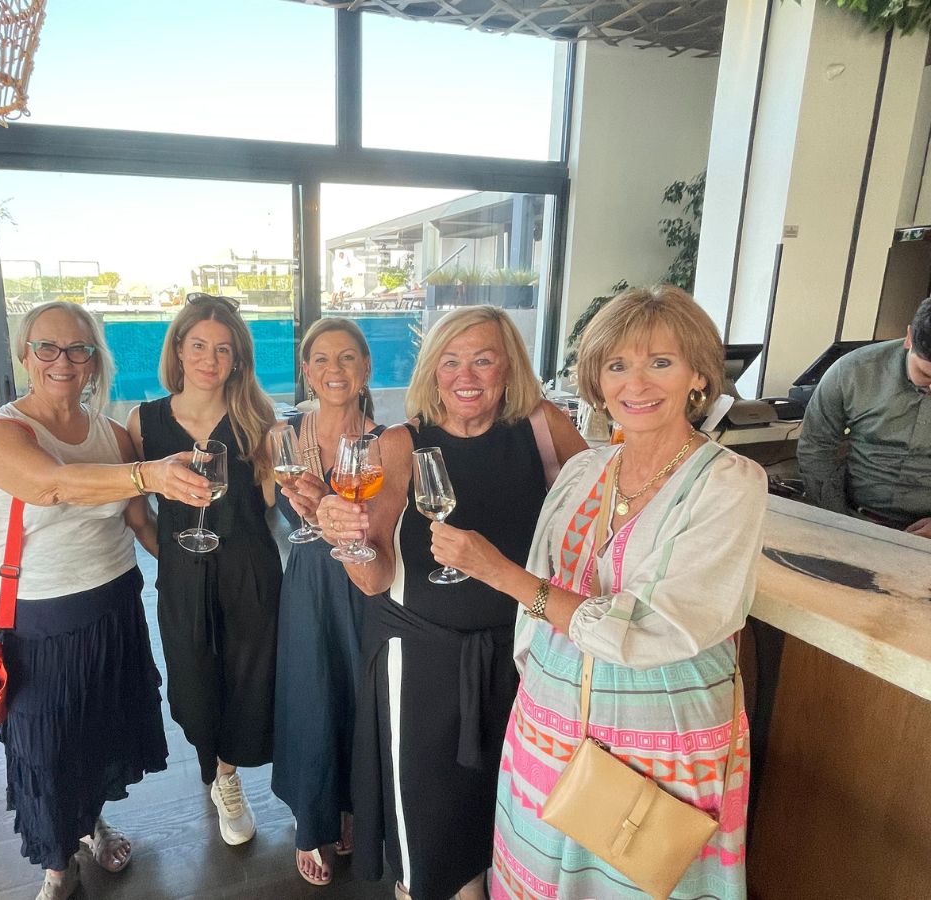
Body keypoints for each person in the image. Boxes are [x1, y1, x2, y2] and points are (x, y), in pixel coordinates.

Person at [459, 286, 766, 899]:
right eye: (617, 365)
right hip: (550, 718)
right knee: (542, 876)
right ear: (597, 381)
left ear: (698, 375)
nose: (637, 383)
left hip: (658, 734)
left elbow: (661, 627)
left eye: (661, 362)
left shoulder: (730, 483)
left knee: (639, 880)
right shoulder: (583, 469)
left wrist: (503, 576)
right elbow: (546, 601)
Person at [317, 306, 587, 900]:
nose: (467, 375)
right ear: (432, 371)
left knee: (514, 813)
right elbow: (373, 577)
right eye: (451, 360)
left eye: (484, 359)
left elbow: (599, 527)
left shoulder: (546, 428)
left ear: (508, 366)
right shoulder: (400, 444)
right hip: (423, 663)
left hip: (526, 659)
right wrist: (350, 541)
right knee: (432, 821)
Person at [0, 301, 212, 900]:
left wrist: (196, 576)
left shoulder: (109, 431)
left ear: (93, 361)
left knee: (101, 726)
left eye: (78, 349)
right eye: (47, 348)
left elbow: (137, 519)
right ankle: (57, 861)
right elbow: (50, 484)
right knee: (48, 744)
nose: (63, 360)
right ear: (25, 356)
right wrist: (148, 474)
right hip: (39, 614)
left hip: (113, 600)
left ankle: (93, 821)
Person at [127, 292, 283, 847]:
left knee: (248, 674)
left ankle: (229, 775)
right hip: (183, 572)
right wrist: (167, 554)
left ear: (237, 359)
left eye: (223, 349)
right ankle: (213, 765)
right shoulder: (143, 421)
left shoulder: (259, 420)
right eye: (198, 345)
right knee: (192, 673)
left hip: (249, 567)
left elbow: (269, 503)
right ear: (179, 349)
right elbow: (135, 508)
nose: (210, 359)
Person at [272, 318, 383, 887]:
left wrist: (329, 509)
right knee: (312, 695)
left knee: (360, 697)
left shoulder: (387, 441)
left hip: (363, 580)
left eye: (346, 358)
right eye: (320, 359)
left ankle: (349, 805)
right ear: (306, 370)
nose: (333, 369)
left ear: (365, 368)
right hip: (308, 583)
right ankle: (312, 819)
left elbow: (384, 530)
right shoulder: (283, 436)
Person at [798, 296, 931, 537]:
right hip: (856, 519)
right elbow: (816, 448)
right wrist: (837, 521)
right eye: (926, 375)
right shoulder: (853, 371)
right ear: (909, 338)